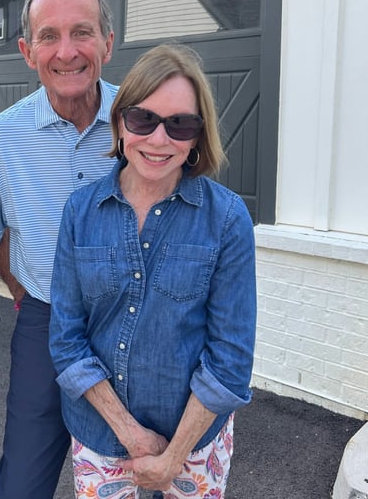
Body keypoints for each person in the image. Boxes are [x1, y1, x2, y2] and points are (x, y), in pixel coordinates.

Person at [49, 43, 257, 498]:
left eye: (180, 124)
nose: (159, 140)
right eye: (143, 119)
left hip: (196, 441)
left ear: (198, 136)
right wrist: (133, 436)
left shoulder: (226, 218)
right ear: (120, 123)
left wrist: (173, 456)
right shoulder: (80, 212)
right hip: (101, 432)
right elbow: (67, 340)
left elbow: (230, 359)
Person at [0, 0, 117, 498]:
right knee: (22, 480)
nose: (67, 51)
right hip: (45, 322)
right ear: (27, 51)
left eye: (82, 32)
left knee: (137, 465)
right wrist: (25, 292)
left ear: (107, 42)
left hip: (136, 321)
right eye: (49, 36)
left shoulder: (143, 124)